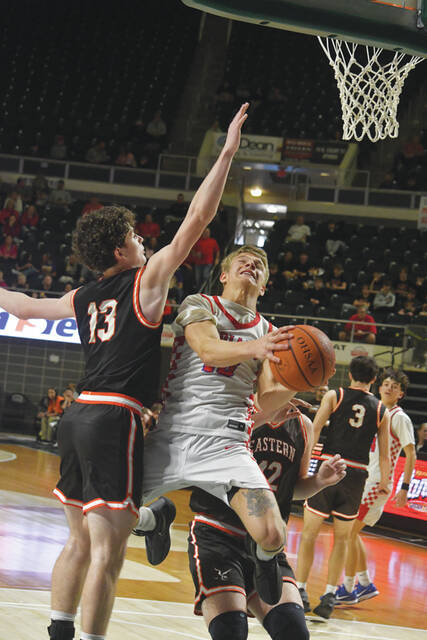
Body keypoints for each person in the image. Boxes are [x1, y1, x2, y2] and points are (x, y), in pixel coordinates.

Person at [0, 103, 251, 640]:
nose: (145, 241)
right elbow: (197, 222)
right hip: (116, 418)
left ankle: (62, 631)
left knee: (79, 541)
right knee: (107, 557)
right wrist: (227, 152)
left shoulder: (81, 295)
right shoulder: (147, 279)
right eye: (137, 236)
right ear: (122, 249)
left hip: (77, 415)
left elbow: (20, 306)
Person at [134, 243, 307, 607]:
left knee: (273, 535)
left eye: (260, 264)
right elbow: (208, 349)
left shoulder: (269, 332)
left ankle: (264, 562)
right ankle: (154, 520)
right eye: (243, 261)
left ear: (264, 286)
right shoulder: (201, 304)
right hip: (173, 435)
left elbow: (265, 400)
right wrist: (257, 348)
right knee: (107, 514)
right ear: (225, 275)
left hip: (226, 442)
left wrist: (296, 383)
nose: (252, 264)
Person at [187, 403, 346, 640]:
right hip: (218, 533)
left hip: (267, 546)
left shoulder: (303, 425)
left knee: (293, 632)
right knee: (231, 631)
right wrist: (266, 415)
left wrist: (319, 481)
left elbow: (293, 488)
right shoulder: (235, 405)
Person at [295, 356, 390, 619]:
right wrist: (385, 482)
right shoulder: (381, 409)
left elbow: (313, 430)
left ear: (349, 375)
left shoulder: (334, 396)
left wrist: (302, 463)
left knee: (309, 534)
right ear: (374, 379)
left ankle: (300, 590)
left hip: (329, 467)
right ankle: (328, 595)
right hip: (356, 475)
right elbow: (383, 455)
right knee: (342, 540)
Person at [336, 369, 416, 605]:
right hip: (365, 479)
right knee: (352, 533)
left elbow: (410, 453)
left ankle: (349, 588)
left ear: (401, 393)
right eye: (386, 384)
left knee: (349, 533)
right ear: (379, 387)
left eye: (395, 386)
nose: (389, 388)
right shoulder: (377, 411)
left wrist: (405, 487)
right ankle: (364, 583)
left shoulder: (399, 417)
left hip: (378, 483)